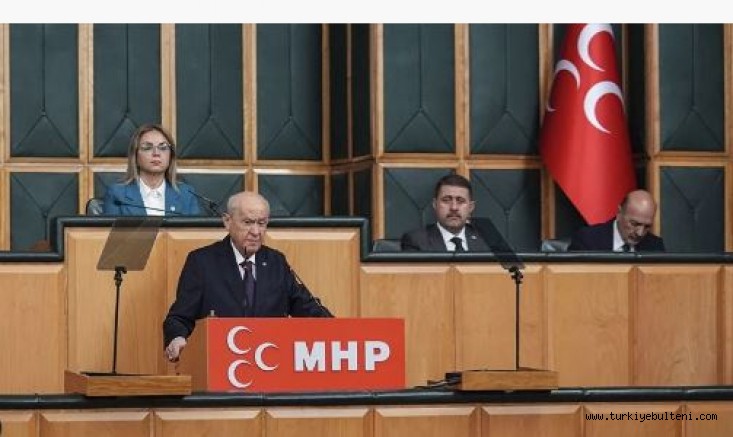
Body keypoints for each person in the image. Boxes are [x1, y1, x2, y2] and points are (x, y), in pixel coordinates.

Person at [163, 191, 333, 362]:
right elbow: (179, 318)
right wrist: (177, 338)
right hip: (220, 361)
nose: (256, 231)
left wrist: (336, 330)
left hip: (271, 361)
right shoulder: (202, 262)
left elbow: (308, 309)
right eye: (248, 222)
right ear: (227, 221)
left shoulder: (276, 262)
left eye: (262, 223)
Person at [102, 124, 201, 216]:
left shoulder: (186, 194)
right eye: (147, 147)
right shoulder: (117, 194)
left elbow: (196, 230)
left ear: (171, 156)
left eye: (163, 147)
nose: (156, 153)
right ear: (135, 156)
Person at [400, 174, 489, 252]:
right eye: (446, 200)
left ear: (471, 207)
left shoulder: (486, 240)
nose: (454, 207)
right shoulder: (417, 241)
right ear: (435, 204)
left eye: (460, 201)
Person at [568, 189, 665, 252]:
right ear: (619, 213)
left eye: (647, 226)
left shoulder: (655, 246)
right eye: (635, 224)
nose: (640, 233)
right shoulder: (587, 240)